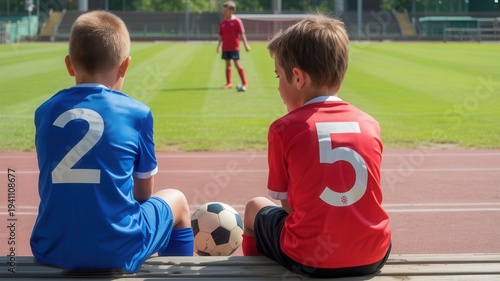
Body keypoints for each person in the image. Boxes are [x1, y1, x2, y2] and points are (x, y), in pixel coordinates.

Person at [30, 11, 194, 273]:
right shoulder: (137, 113)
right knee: (178, 201)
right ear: (125, 65)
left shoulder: (45, 111)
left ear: (70, 64)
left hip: (50, 247)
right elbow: (143, 194)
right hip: (117, 251)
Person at [242, 14, 391, 278]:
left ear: (298, 78)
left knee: (255, 206)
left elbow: (289, 205)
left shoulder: (283, 128)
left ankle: (252, 273)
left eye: (278, 76)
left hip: (312, 260)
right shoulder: (370, 123)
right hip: (375, 254)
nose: (278, 86)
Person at [217, 1, 251, 91]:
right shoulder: (222, 22)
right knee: (227, 64)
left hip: (234, 47)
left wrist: (246, 44)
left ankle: (244, 82)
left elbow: (242, 33)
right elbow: (221, 35)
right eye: (223, 10)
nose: (223, 12)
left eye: (225, 10)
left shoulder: (237, 21)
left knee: (237, 64)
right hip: (225, 47)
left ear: (232, 11)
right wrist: (218, 46)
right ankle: (229, 83)